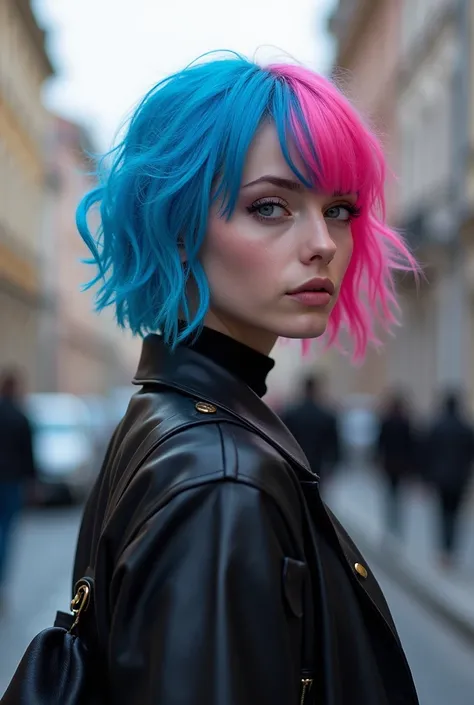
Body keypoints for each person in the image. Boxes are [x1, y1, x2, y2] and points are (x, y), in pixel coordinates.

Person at [71, 53, 419, 704]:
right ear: (179, 228)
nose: (321, 242)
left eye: (339, 209)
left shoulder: (165, 410)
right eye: (270, 206)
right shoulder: (222, 476)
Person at [425, 390, 474, 568]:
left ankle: (444, 551)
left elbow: (428, 453)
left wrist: (427, 477)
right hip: (459, 479)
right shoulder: (466, 428)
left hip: (440, 478)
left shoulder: (438, 426)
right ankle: (452, 550)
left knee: (442, 513)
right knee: (455, 515)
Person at [0, 369, 36, 608]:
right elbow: (28, 454)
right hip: (12, 483)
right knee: (5, 533)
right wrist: (33, 483)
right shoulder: (21, 417)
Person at [280, 375, 340, 485]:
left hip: (295, 462)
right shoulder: (326, 416)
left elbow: (282, 440)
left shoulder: (291, 414)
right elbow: (333, 443)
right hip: (317, 464)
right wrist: (332, 464)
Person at [376, 392, 416, 539]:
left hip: (389, 463)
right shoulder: (405, 423)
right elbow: (411, 446)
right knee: (398, 495)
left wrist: (378, 460)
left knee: (389, 494)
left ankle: (389, 525)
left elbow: (380, 443)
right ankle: (397, 526)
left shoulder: (386, 422)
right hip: (402, 464)